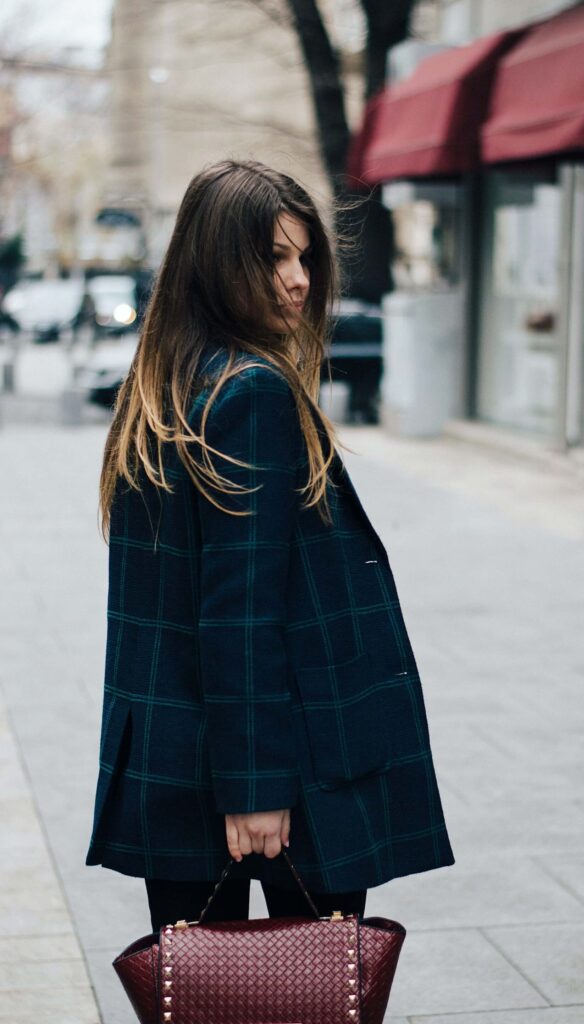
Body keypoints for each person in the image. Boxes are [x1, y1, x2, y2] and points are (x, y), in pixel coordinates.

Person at [85, 159, 455, 933]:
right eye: (273, 258)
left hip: (180, 753)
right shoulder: (248, 392)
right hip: (279, 764)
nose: (297, 280)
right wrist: (254, 787)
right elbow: (239, 608)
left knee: (204, 997)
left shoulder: (169, 383)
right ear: (218, 266)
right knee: (311, 997)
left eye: (304, 257)